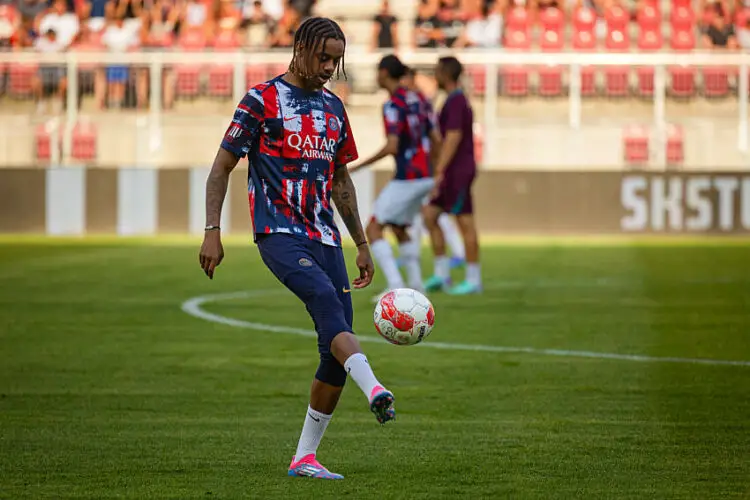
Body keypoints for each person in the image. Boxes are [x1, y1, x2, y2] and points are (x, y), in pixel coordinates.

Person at [198, 17, 396, 481]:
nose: (329, 67)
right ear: (300, 48)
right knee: (326, 303)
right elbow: (221, 167)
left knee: (334, 349)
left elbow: (341, 180)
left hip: (325, 236)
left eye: (336, 60)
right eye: (323, 57)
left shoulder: (333, 108)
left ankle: (304, 458)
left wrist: (361, 243)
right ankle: (377, 390)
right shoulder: (261, 100)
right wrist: (212, 229)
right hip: (279, 234)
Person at [349, 55, 437, 300]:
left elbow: (392, 146)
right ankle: (417, 284)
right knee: (399, 227)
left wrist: (357, 166)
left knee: (374, 227)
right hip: (426, 174)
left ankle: (396, 285)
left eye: (378, 71)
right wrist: (438, 172)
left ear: (385, 73)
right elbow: (436, 137)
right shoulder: (419, 99)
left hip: (408, 176)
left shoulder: (392, 105)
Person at [423, 56, 482, 295]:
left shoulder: (456, 101)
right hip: (452, 170)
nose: (434, 77)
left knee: (465, 222)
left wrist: (439, 169)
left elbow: (453, 137)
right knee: (429, 215)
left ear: (445, 74)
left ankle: (473, 279)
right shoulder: (451, 101)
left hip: (457, 171)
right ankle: (441, 275)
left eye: (436, 71)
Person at [399, 66, 466, 272]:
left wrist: (436, 167)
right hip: (422, 166)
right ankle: (413, 255)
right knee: (424, 215)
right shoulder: (419, 103)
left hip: (425, 167)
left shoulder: (418, 103)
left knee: (434, 214)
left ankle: (456, 254)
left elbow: (435, 138)